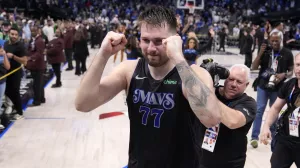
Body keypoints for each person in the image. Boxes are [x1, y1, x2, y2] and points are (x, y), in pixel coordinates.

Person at [75, 6, 225, 168]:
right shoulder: (129, 70)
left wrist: (178, 58)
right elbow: (83, 103)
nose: (151, 49)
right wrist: (103, 54)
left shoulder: (195, 73)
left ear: (174, 39)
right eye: (146, 40)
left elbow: (211, 118)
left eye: (159, 41)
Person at [198, 64, 257, 168]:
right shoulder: (212, 91)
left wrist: (208, 95)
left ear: (246, 85)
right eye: (231, 79)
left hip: (230, 163)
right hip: (202, 159)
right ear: (225, 79)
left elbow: (233, 121)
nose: (233, 84)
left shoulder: (248, 103)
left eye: (239, 82)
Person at [250, 30, 294, 151]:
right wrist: (260, 53)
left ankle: (274, 137)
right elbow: (253, 67)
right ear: (269, 40)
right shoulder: (266, 51)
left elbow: (291, 71)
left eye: (277, 41)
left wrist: (284, 75)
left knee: (275, 111)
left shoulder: (287, 53)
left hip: (278, 88)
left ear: (281, 40)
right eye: (272, 40)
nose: (274, 43)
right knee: (259, 110)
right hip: (263, 85)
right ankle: (254, 137)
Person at [260, 53, 300, 168]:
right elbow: (276, 108)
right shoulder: (289, 85)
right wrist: (266, 126)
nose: (299, 69)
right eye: (297, 65)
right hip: (286, 139)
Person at [4, 27, 27, 120]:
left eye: (16, 34)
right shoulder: (5, 44)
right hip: (6, 72)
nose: (14, 36)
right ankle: (16, 107)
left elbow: (25, 61)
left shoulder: (20, 46)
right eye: (12, 34)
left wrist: (13, 56)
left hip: (16, 72)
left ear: (18, 36)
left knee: (15, 92)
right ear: (9, 34)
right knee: (7, 91)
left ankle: (20, 112)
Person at [26, 26, 46, 106]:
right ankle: (41, 98)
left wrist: (30, 58)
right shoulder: (34, 40)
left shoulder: (39, 41)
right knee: (39, 83)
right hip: (36, 65)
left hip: (38, 65)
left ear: (38, 31)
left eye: (34, 31)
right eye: (31, 31)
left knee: (37, 85)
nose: (32, 32)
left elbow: (39, 53)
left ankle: (37, 101)